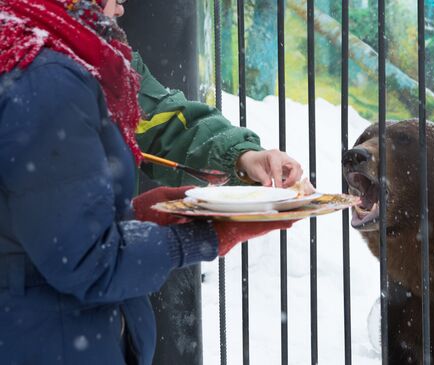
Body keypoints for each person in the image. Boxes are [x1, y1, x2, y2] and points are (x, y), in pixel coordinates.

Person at [0, 0, 300, 364]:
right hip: (48, 335)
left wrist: (239, 155)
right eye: (112, 0)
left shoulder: (56, 45)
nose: (121, 10)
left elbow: (157, 116)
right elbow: (83, 260)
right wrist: (208, 234)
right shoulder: (47, 73)